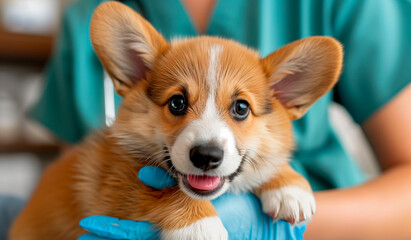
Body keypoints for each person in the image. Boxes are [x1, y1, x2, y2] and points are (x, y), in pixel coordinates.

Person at [8, 0, 411, 239]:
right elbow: (90, 176)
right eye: (179, 105)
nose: (207, 140)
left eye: (240, 110)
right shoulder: (87, 16)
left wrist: (268, 222)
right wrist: (171, 208)